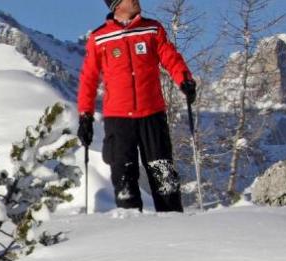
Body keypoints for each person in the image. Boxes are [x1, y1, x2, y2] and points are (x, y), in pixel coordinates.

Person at [76, 0, 196, 213]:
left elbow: (170, 57)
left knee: (164, 176)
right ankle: (131, 226)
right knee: (124, 181)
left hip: (152, 115)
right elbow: (89, 79)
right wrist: (85, 115)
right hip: (118, 120)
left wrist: (184, 79)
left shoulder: (152, 29)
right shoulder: (99, 37)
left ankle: (174, 222)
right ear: (116, 5)